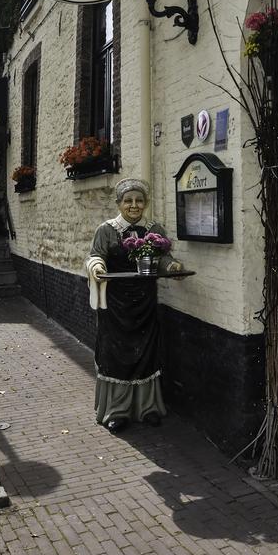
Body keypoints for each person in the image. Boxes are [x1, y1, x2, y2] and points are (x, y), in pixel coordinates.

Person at [85, 178, 183, 434]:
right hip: (115, 307)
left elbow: (163, 258)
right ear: (119, 203)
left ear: (145, 203)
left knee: (146, 353)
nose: (134, 205)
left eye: (139, 200)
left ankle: (147, 407)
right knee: (116, 355)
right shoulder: (106, 230)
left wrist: (171, 266)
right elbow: (95, 254)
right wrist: (96, 266)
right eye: (128, 200)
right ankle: (117, 410)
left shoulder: (154, 229)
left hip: (145, 303)